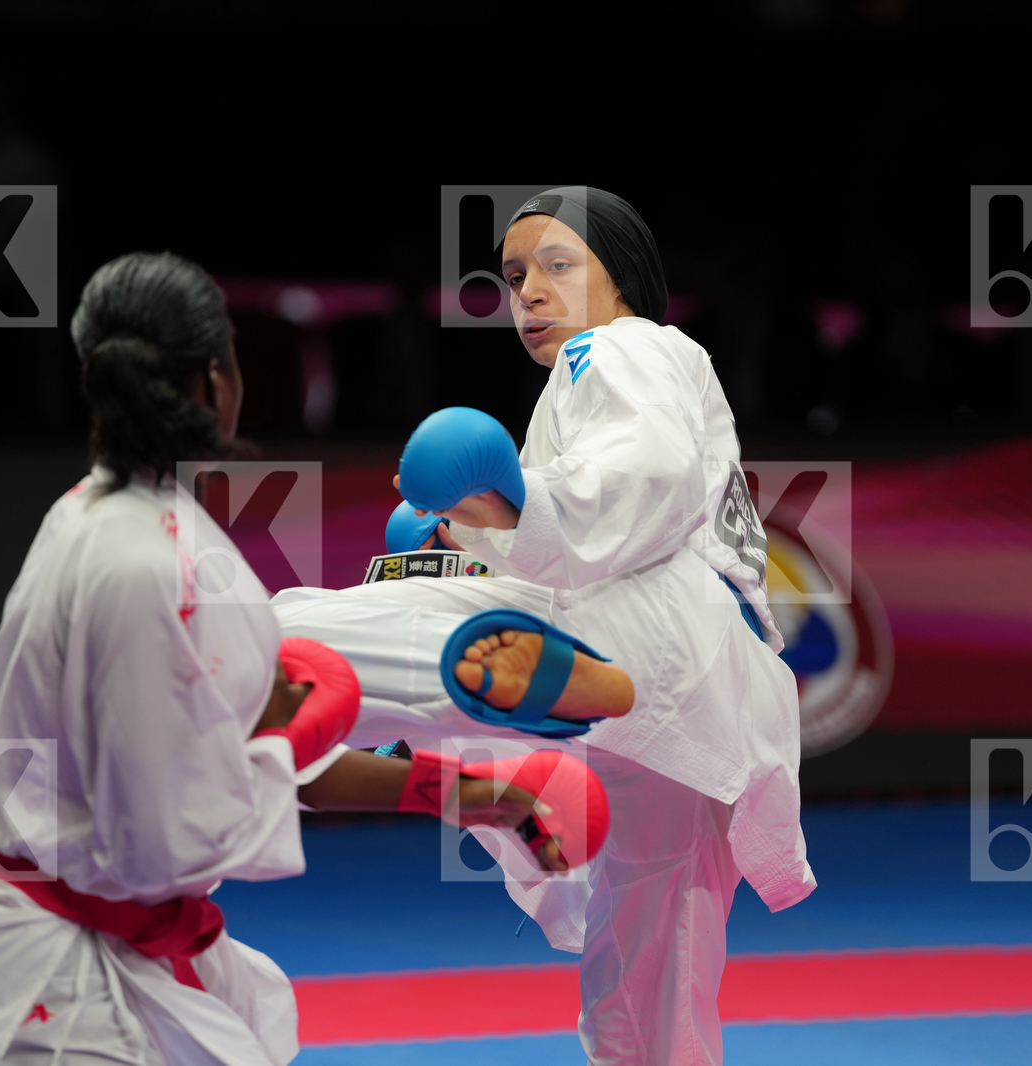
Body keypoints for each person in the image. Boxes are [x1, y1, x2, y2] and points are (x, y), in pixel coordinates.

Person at [0, 252, 624, 1066]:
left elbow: (244, 743)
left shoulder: (112, 520)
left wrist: (475, 795)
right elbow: (162, 833)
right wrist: (292, 738)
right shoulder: (140, 563)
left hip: (96, 945)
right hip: (38, 973)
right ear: (215, 383)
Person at [271, 187, 815, 1065]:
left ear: (623, 276)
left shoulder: (622, 346)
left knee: (422, 631)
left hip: (653, 636)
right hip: (706, 709)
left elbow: (643, 476)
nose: (527, 292)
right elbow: (586, 528)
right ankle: (512, 770)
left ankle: (232, 662)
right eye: (514, 276)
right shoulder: (638, 373)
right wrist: (479, 529)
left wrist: (512, 505)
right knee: (650, 992)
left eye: (558, 266)